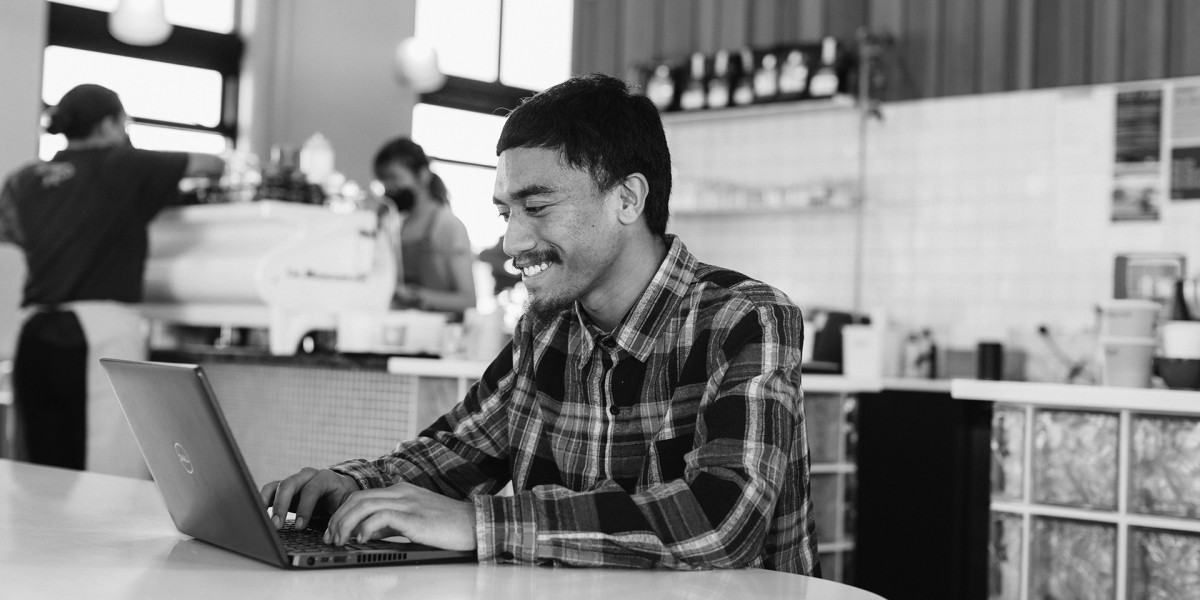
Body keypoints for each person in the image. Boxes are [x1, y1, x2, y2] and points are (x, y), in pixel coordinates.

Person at [263, 74, 819, 574]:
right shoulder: (546, 329)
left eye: (538, 207)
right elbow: (456, 453)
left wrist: (481, 524)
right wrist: (351, 485)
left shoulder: (746, 318)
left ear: (627, 198)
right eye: (507, 213)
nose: (512, 242)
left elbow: (723, 523)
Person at [0, 83, 225, 477]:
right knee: (107, 469)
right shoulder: (122, 163)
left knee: (36, 466)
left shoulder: (24, 179)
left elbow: (7, 230)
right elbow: (212, 164)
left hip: (33, 331)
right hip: (99, 332)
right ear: (109, 123)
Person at [373, 137, 476, 317]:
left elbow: (468, 300)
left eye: (394, 178)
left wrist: (419, 297)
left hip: (439, 337)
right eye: (384, 181)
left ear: (422, 175)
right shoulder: (396, 225)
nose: (389, 187)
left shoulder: (448, 226)